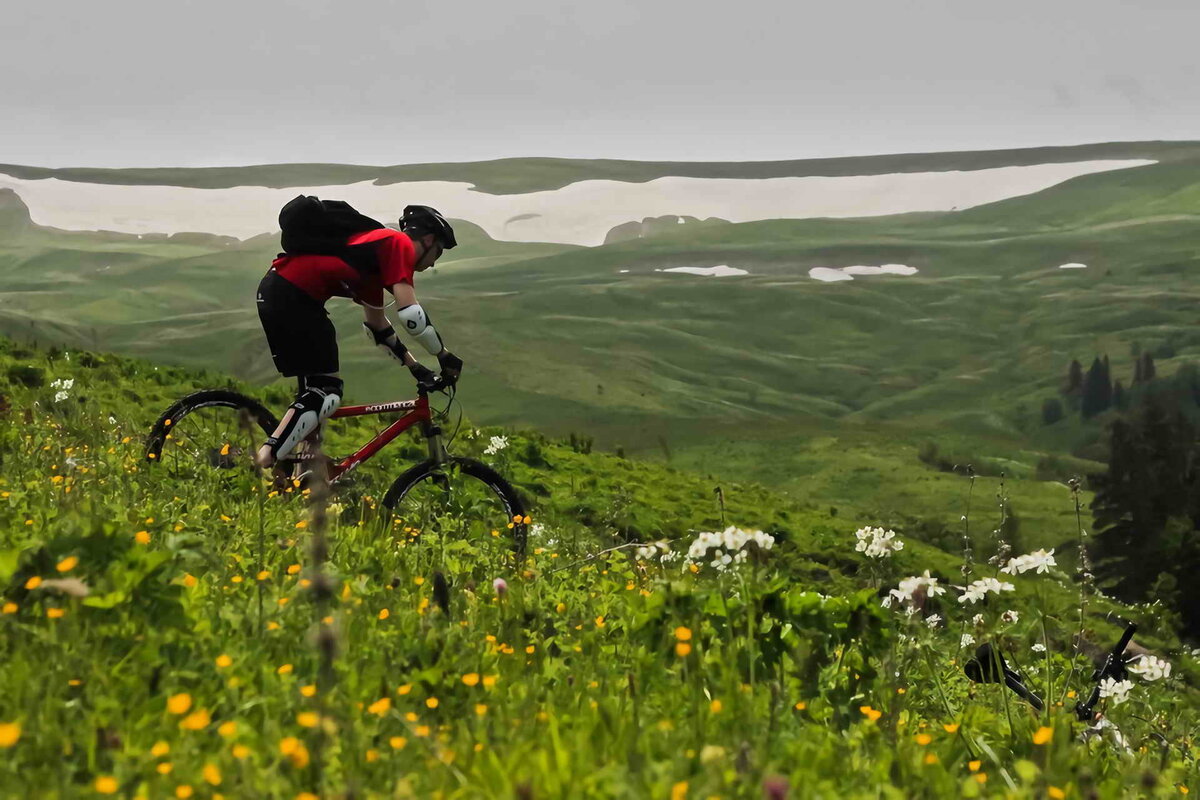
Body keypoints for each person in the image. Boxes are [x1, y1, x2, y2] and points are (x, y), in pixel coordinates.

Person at [254, 204, 463, 469]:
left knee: (315, 392)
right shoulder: (397, 242)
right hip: (295, 297)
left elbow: (377, 327)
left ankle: (299, 474)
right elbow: (412, 317)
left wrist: (416, 368)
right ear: (428, 240)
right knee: (327, 392)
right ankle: (263, 460)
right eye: (438, 252)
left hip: (279, 290)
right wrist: (444, 356)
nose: (434, 262)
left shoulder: (373, 257)